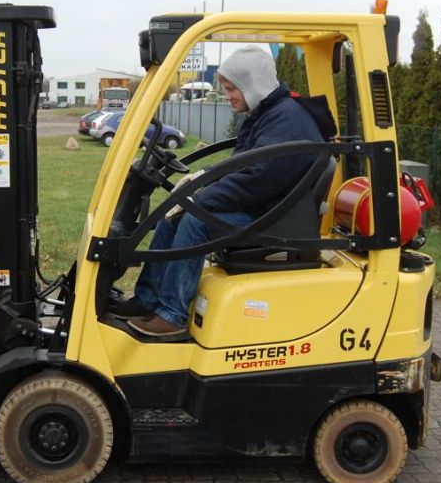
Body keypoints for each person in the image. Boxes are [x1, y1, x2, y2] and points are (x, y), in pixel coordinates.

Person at [112, 45, 325, 338]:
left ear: (252, 84)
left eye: (231, 89)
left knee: (194, 220)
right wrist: (201, 181)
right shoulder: (267, 114)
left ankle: (172, 314)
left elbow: (256, 177)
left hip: (271, 215)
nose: (228, 96)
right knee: (170, 215)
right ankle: (148, 300)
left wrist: (200, 197)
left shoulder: (285, 119)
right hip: (264, 204)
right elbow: (244, 166)